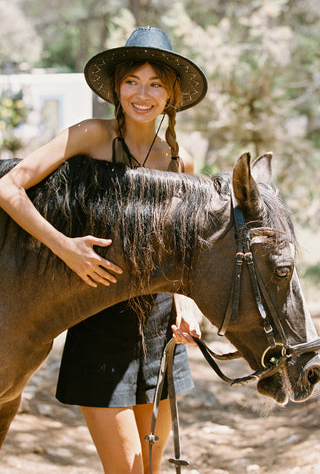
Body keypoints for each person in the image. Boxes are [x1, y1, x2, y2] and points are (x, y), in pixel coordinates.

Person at [0, 26, 207, 473]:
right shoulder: (92, 136)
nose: (142, 93)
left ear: (171, 94)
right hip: (98, 328)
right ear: (117, 87)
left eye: (155, 83)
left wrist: (187, 303)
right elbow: (8, 187)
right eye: (132, 81)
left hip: (161, 336)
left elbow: (186, 253)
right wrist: (65, 248)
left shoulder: (180, 161)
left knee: (152, 470)